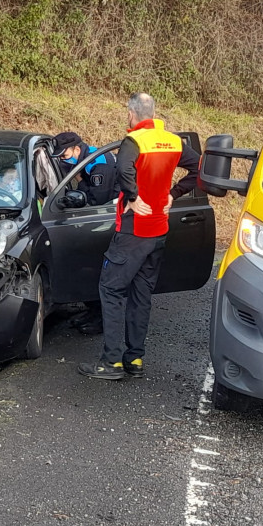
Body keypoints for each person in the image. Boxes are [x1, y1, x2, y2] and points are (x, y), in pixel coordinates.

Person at [78, 93, 200, 380]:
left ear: (132, 114)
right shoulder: (172, 141)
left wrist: (132, 196)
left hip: (133, 230)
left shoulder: (134, 141)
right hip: (158, 231)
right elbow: (200, 168)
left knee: (110, 289)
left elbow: (122, 168)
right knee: (141, 294)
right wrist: (174, 193)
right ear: (154, 113)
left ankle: (111, 362)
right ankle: (134, 359)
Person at [52, 131, 120, 334]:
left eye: (65, 155)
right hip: (101, 215)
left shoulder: (99, 164)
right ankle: (92, 310)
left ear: (77, 149)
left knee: (94, 267)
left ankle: (101, 320)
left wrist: (80, 182)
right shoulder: (85, 157)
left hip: (109, 217)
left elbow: (97, 199)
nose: (65, 160)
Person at [51, 131, 119, 207]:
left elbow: (97, 203)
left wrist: (79, 179)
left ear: (77, 150)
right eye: (59, 158)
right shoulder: (88, 153)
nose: (62, 160)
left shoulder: (98, 166)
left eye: (64, 156)